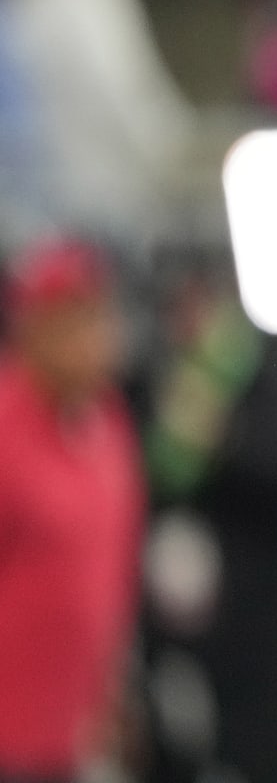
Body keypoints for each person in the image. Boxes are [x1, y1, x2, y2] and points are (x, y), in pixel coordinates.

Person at [0, 238, 144, 783]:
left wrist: (113, 689)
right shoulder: (6, 425)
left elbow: (112, 569)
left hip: (71, 730)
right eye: (78, 320)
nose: (99, 339)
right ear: (33, 328)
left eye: (102, 316)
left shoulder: (107, 422)